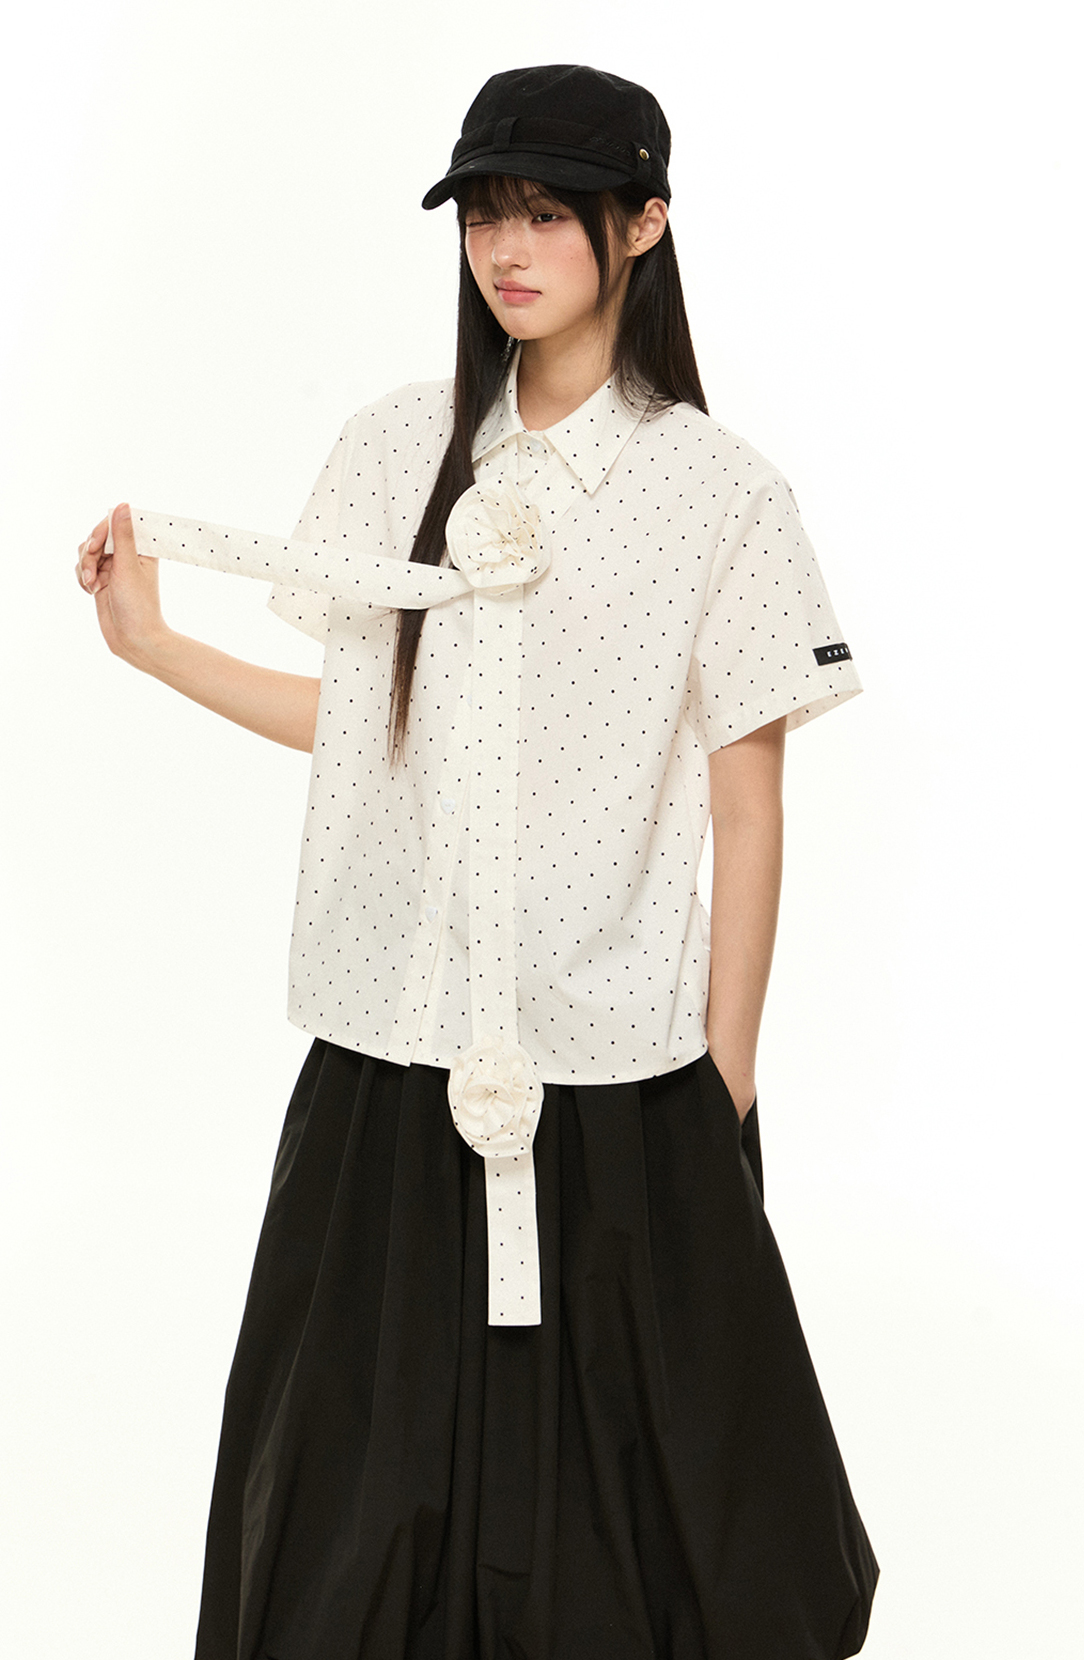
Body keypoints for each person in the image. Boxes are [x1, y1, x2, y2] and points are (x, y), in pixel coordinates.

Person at [77, 62, 878, 1660]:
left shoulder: (719, 494)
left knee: (647, 1536)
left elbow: (748, 807)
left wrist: (721, 1090)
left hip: (615, 1067)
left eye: (548, 215)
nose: (508, 250)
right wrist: (155, 648)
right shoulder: (396, 449)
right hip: (394, 1045)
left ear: (642, 225)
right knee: (350, 1516)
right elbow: (375, 726)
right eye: (484, 216)